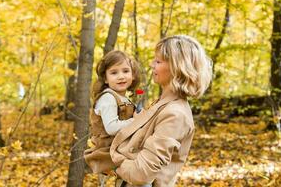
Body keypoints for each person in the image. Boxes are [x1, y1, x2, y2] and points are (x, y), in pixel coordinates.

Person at [110, 35, 213, 187]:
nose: (152, 65)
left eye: (158, 61)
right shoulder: (163, 104)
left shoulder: (175, 114)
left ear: (176, 68)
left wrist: (112, 163)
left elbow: (142, 173)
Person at [84, 50, 140, 174]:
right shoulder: (108, 98)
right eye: (114, 73)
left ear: (133, 75)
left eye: (125, 71)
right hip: (108, 150)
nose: (121, 76)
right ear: (105, 79)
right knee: (143, 172)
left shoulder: (124, 98)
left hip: (120, 146)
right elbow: (112, 127)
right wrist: (135, 121)